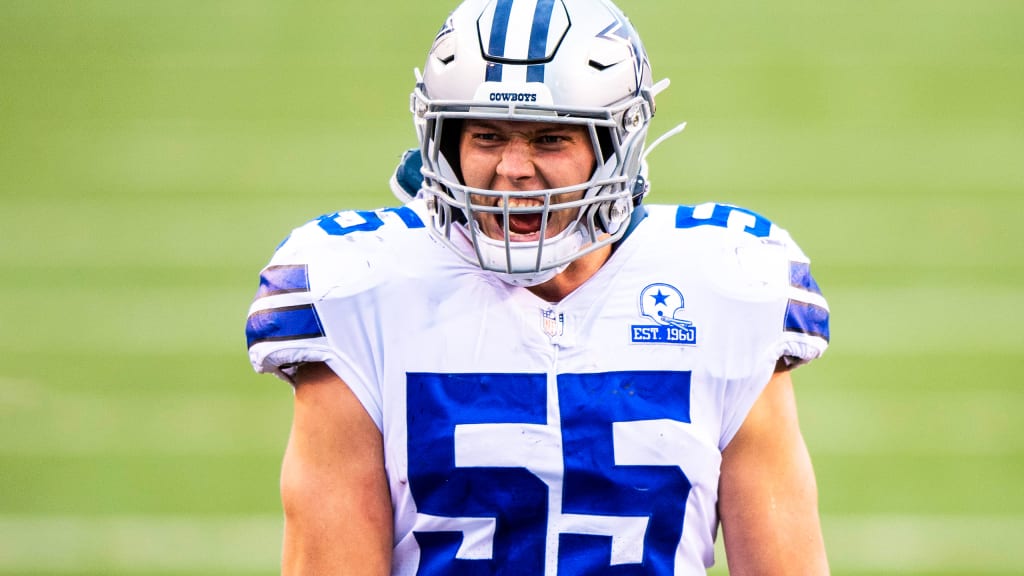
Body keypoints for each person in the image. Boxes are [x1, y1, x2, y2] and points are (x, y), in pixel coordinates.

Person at [245, 0, 831, 573]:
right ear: (444, 143)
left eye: (549, 138)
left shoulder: (725, 286)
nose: (514, 169)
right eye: (487, 137)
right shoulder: (360, 291)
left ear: (615, 148)